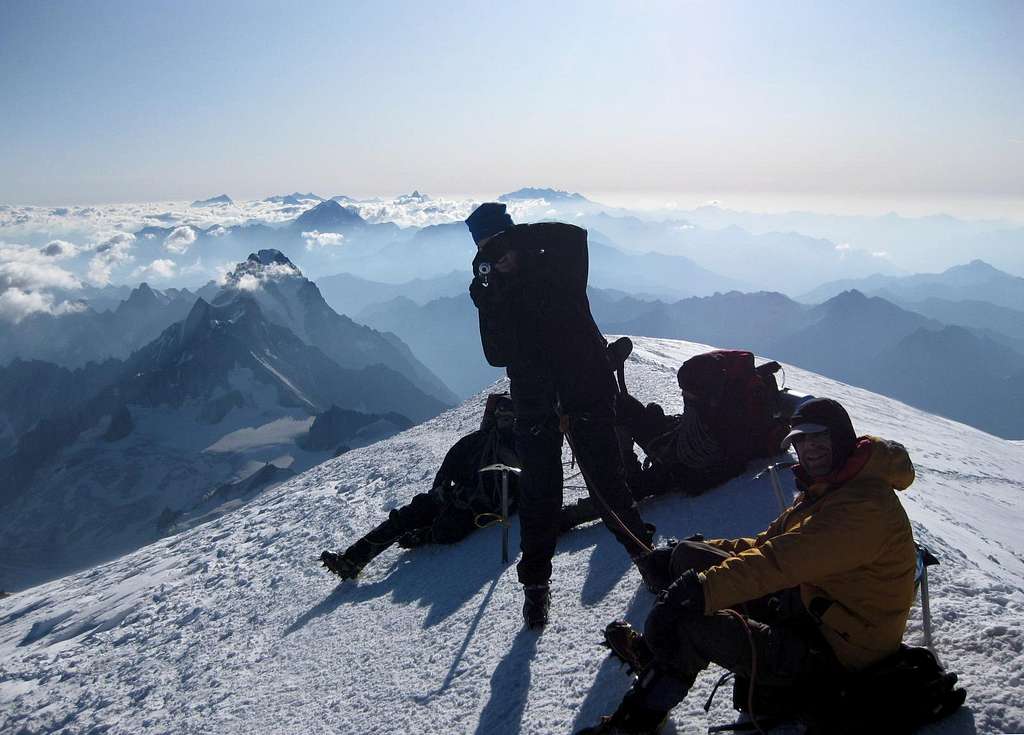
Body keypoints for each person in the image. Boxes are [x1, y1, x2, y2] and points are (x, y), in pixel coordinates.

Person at [579, 397, 918, 734]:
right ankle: (659, 657)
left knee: (696, 626)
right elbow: (767, 545)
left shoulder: (862, 508)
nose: (808, 448)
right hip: (813, 605)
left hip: (839, 653)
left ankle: (636, 722)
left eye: (819, 437)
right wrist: (686, 554)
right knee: (688, 557)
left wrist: (699, 590)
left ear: (842, 438)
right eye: (800, 440)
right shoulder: (831, 487)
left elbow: (775, 563)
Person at [466, 202, 655, 628]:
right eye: (487, 252)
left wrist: (516, 240)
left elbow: (575, 235)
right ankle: (536, 587)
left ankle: (645, 559)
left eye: (501, 246)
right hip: (535, 402)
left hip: (584, 392)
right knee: (539, 497)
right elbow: (496, 356)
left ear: (516, 236)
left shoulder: (558, 266)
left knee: (608, 486)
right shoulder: (496, 290)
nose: (498, 258)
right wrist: (489, 305)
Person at [560, 350, 788, 533]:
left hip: (681, 468)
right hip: (679, 449)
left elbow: (711, 465)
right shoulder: (731, 397)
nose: (685, 397)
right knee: (626, 409)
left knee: (633, 485)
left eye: (689, 394)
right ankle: (623, 467)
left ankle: (570, 515)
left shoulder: (729, 424)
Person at [320, 394, 519, 580]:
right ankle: (351, 561)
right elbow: (450, 465)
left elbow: (454, 468)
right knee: (410, 515)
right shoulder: (485, 443)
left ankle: (361, 558)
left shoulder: (499, 446)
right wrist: (440, 490)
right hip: (458, 499)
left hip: (472, 508)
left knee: (440, 524)